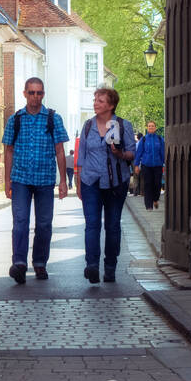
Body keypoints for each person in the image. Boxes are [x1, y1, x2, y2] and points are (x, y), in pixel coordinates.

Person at [2, 78, 69, 283]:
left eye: (39, 93)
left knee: (44, 224)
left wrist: (63, 181)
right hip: (20, 178)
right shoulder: (16, 119)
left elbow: (60, 151)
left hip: (45, 179)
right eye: (31, 92)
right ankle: (19, 263)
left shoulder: (53, 118)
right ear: (24, 94)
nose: (35, 97)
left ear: (43, 94)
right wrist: (7, 180)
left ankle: (40, 263)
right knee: (20, 222)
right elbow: (9, 151)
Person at [76, 87, 136, 284]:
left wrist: (120, 154)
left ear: (111, 105)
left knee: (112, 226)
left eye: (100, 100)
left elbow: (132, 153)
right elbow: (81, 156)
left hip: (116, 182)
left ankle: (110, 266)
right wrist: (78, 181)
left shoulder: (122, 125)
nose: (95, 103)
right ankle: (92, 265)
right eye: (95, 100)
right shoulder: (87, 126)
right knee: (92, 224)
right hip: (90, 181)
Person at [134, 120, 165, 210]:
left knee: (157, 184)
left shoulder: (160, 139)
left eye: (152, 126)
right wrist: (136, 165)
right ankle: (148, 206)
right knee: (148, 184)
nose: (151, 127)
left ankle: (155, 199)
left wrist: (165, 164)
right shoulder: (143, 140)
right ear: (147, 128)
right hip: (146, 165)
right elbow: (139, 153)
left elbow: (162, 152)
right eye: (149, 126)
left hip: (158, 165)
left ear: (155, 128)